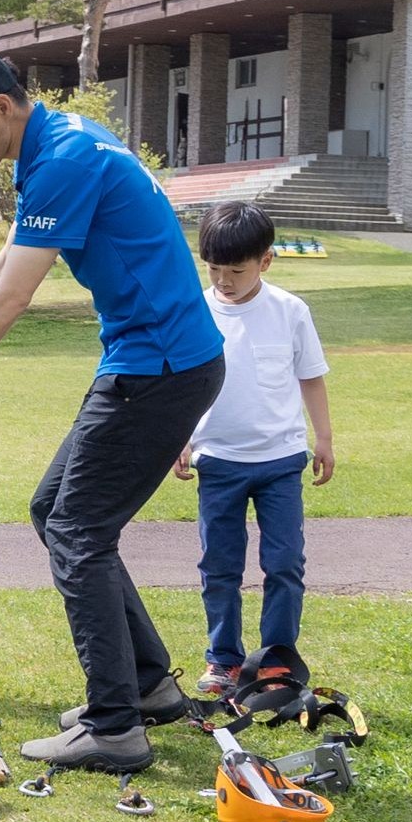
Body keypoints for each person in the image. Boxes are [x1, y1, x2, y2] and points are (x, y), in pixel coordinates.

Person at [0, 49, 223, 772]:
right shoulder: (56, 143)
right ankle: (149, 685)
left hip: (160, 366)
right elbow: (4, 266)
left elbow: (13, 297)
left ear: (2, 106)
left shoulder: (63, 156)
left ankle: (114, 725)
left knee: (77, 528)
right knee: (55, 510)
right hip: (153, 359)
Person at [170, 201, 333, 702]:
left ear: (265, 261)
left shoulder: (290, 311)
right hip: (218, 460)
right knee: (219, 565)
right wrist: (178, 436)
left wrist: (323, 438)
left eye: (236, 270)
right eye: (214, 268)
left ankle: (278, 659)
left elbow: (311, 376)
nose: (224, 279)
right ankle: (223, 659)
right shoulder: (194, 312)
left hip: (282, 460)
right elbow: (179, 381)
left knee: (284, 562)